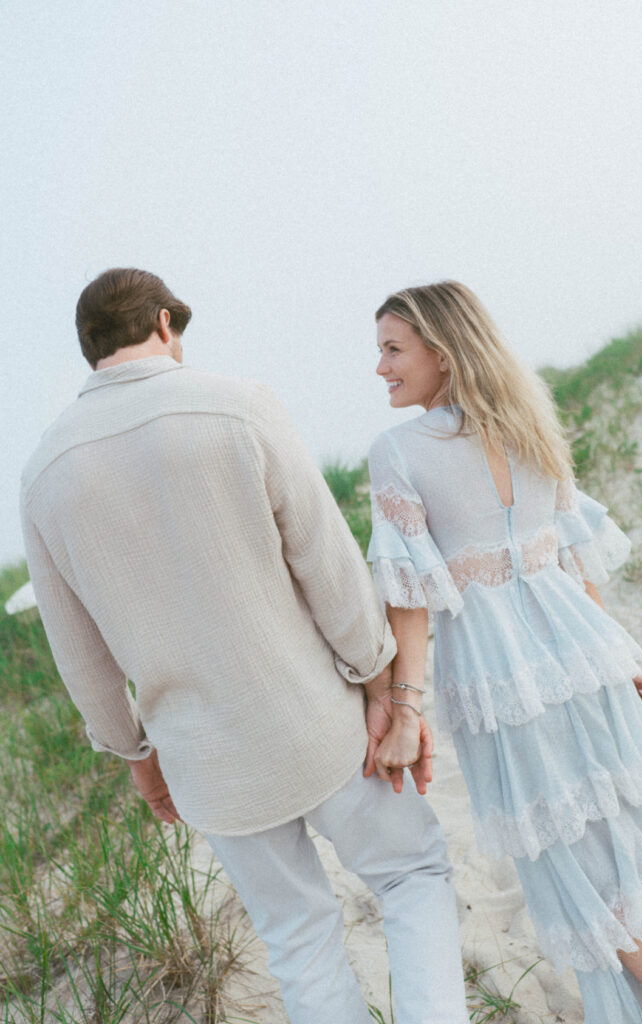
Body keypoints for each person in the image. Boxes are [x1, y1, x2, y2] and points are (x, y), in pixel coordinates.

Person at [20, 268, 470, 1024]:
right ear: (164, 323)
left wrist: (134, 754)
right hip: (317, 719)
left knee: (296, 938)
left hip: (204, 760)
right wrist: (379, 685)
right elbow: (325, 561)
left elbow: (80, 655)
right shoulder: (236, 406)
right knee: (410, 875)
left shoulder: (43, 476)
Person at [366, 280, 642, 1024]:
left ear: (440, 352)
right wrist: (619, 654)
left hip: (499, 674)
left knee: (583, 865)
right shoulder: (528, 417)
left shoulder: (398, 452)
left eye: (392, 349)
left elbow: (408, 600)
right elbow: (572, 554)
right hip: (585, 653)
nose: (380, 367)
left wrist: (406, 709)